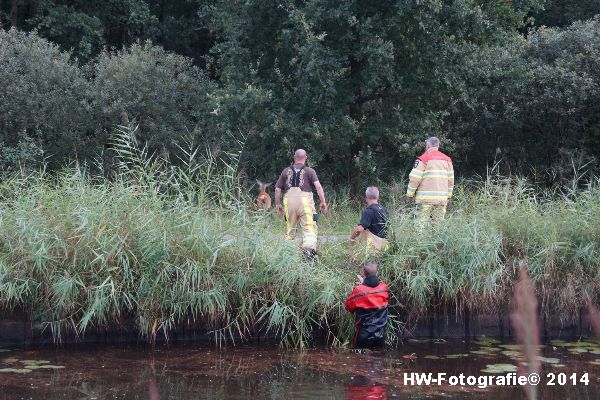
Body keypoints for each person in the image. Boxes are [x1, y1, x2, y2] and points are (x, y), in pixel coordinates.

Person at [275, 149, 328, 260]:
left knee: (290, 229)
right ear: (306, 158)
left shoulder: (285, 171)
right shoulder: (310, 171)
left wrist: (278, 205)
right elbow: (318, 187)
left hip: (288, 201)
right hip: (305, 201)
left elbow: (277, 189)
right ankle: (309, 256)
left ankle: (287, 257)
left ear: (294, 158)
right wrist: (323, 202)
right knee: (309, 228)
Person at [406, 136, 454, 229]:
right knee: (438, 227)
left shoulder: (423, 158)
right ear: (437, 146)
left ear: (428, 145)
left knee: (420, 226)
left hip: (425, 199)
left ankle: (419, 243)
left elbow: (415, 179)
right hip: (441, 200)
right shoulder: (447, 160)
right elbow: (451, 180)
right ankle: (437, 243)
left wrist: (409, 195)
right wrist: (448, 196)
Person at [345, 262, 389, 348]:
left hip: (364, 335)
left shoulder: (359, 291)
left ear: (363, 273)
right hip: (380, 334)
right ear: (376, 272)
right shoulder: (384, 288)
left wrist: (362, 285)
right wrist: (364, 283)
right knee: (378, 359)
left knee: (360, 358)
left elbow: (348, 307)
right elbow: (374, 292)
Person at [350, 186, 389, 254]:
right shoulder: (383, 209)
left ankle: (362, 253)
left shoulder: (369, 211)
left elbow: (359, 229)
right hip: (386, 244)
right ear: (378, 197)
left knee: (361, 229)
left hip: (377, 246)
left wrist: (351, 239)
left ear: (366, 198)